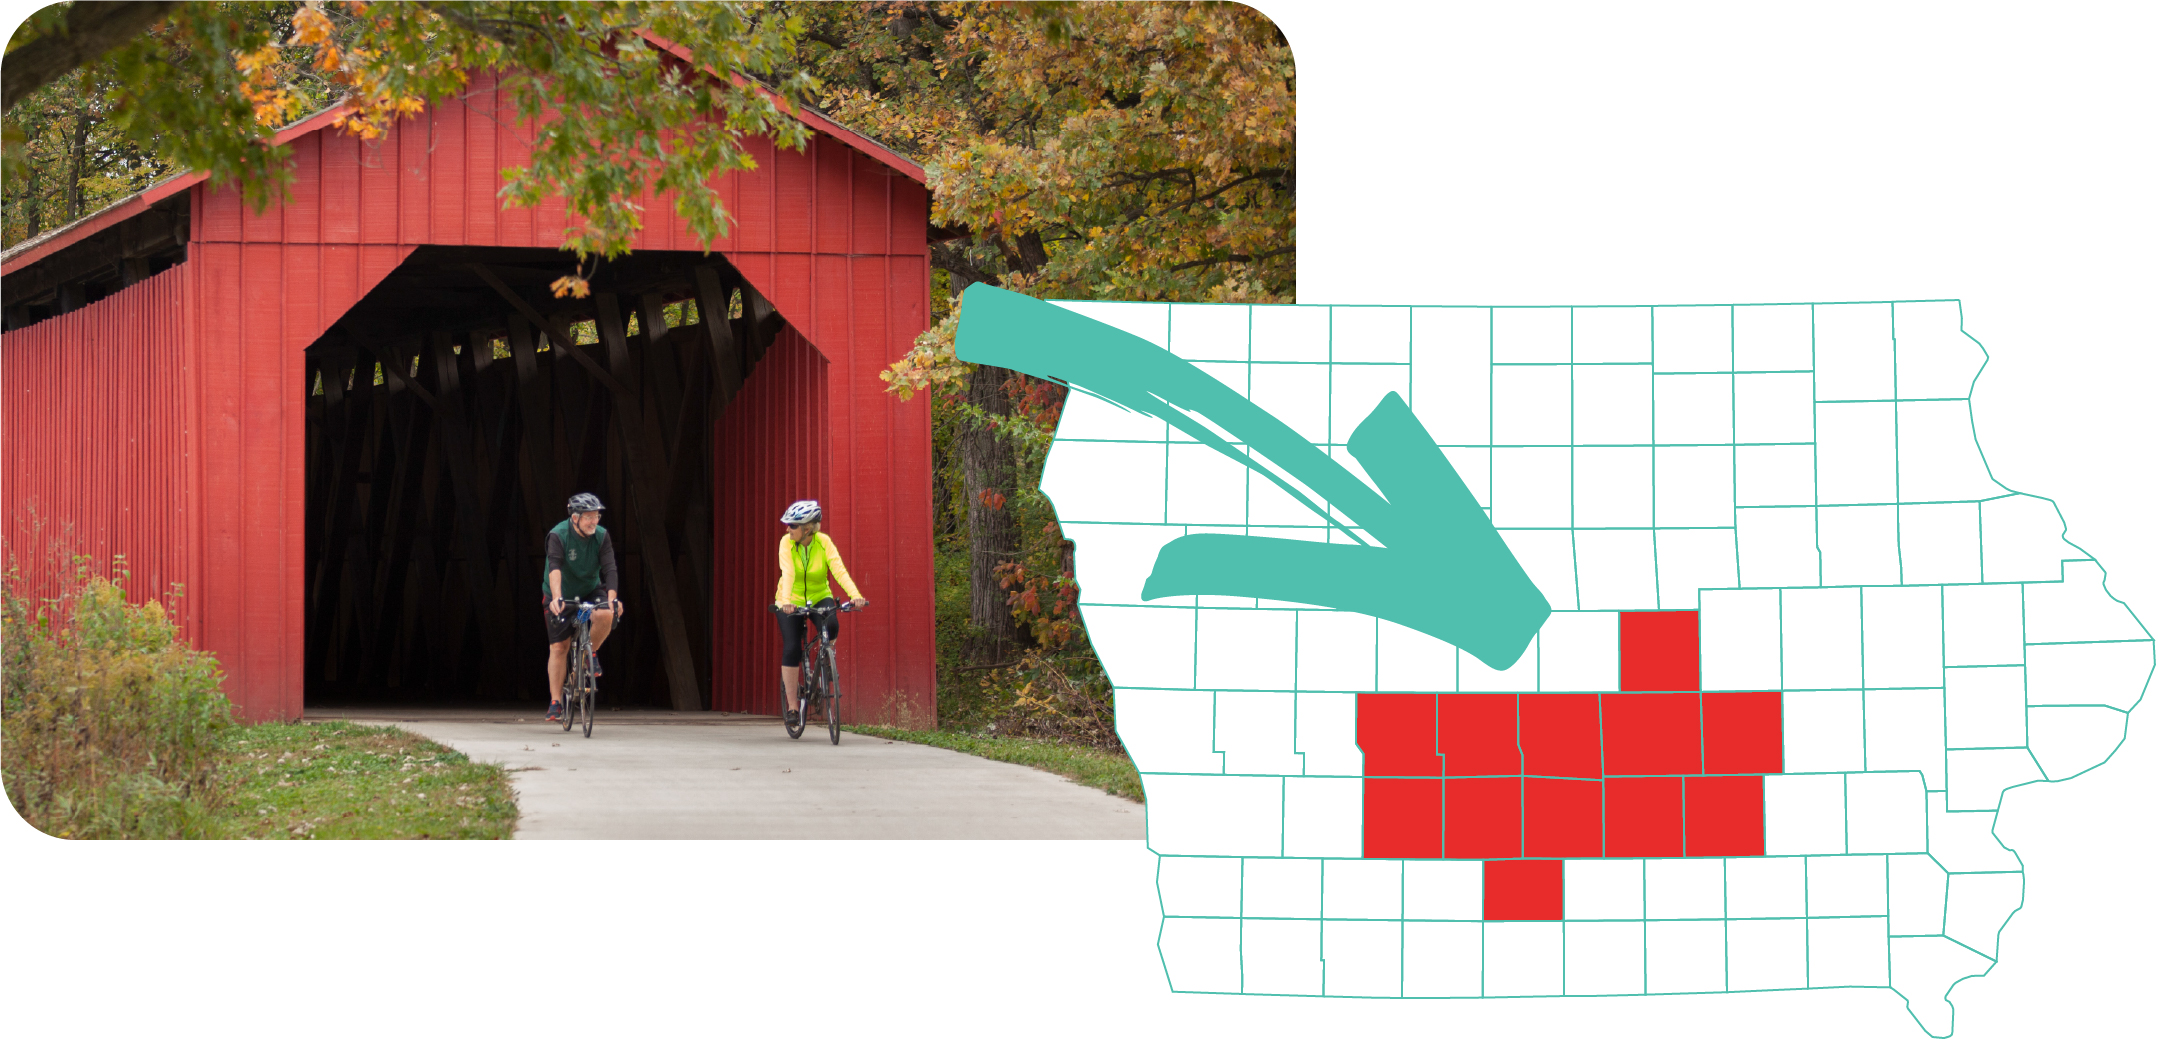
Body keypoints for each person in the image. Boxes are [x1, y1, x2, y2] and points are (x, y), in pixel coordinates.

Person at [773, 499, 867, 727]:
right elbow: (788, 573)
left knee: (833, 624)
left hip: (819, 594)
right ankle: (793, 706)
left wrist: (855, 595)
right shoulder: (786, 543)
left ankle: (826, 655)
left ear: (807, 528)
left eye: (793, 525)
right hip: (790, 599)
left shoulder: (823, 542)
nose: (788, 529)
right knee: (793, 647)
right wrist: (786, 602)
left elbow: (838, 569)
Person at [544, 492, 623, 721]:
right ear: (575, 517)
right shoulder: (558, 535)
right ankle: (556, 701)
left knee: (606, 612)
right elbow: (555, 568)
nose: (594, 522)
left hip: (589, 590)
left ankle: (589, 655)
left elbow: (610, 569)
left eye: (596, 516)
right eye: (588, 517)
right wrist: (557, 598)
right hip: (562, 594)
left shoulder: (601, 536)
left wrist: (612, 598)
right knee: (560, 647)